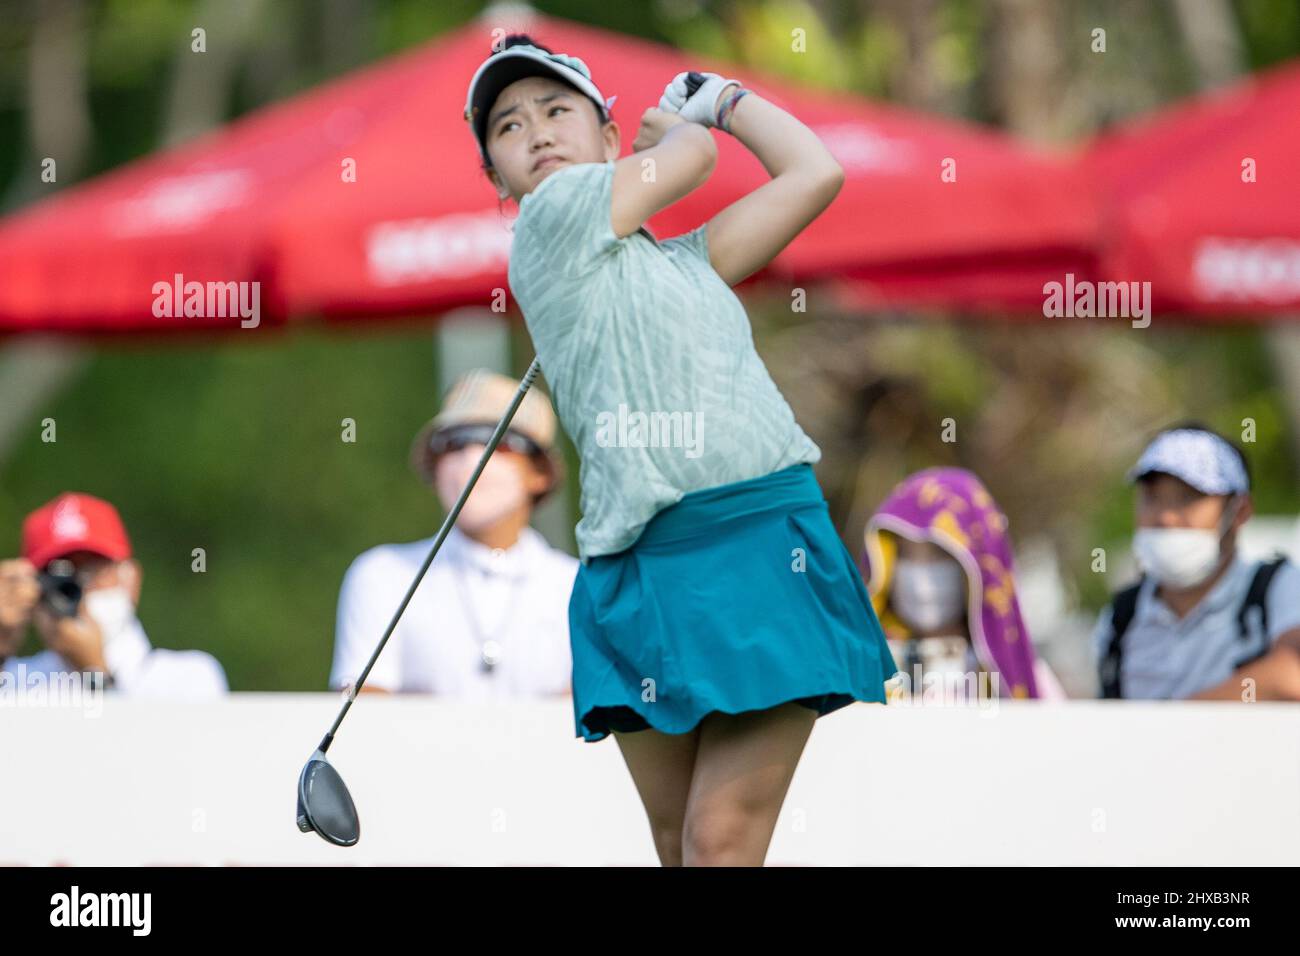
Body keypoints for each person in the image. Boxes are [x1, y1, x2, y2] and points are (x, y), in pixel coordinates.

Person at [465, 34, 896, 866]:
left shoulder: (690, 264)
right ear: (498, 180)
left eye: (559, 111)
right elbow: (693, 162)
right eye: (511, 128)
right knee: (685, 847)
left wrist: (725, 98)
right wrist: (690, 124)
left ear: (609, 139)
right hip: (637, 565)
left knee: (715, 840)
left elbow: (815, 174)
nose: (539, 133)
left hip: (757, 543)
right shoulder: (549, 221)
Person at [330, 368, 578, 697]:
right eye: (453, 443)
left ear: (539, 474)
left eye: (500, 442)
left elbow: (586, 727)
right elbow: (360, 714)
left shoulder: (578, 587)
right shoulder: (382, 575)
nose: (472, 457)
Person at [1091, 423, 1300, 700]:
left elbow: (1291, 674)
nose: (1165, 517)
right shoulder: (1119, 619)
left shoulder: (1277, 588)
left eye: (1187, 498)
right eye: (1152, 497)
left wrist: (1174, 727)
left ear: (1240, 512)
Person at [863, 468, 1067, 702]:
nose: (922, 581)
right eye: (906, 555)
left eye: (940, 554)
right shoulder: (865, 674)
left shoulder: (1025, 680)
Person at [0, 492, 228, 698]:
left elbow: (145, 743)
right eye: (59, 578)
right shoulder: (16, 682)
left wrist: (96, 675)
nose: (79, 589)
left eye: (92, 571)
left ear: (131, 579)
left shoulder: (187, 678)